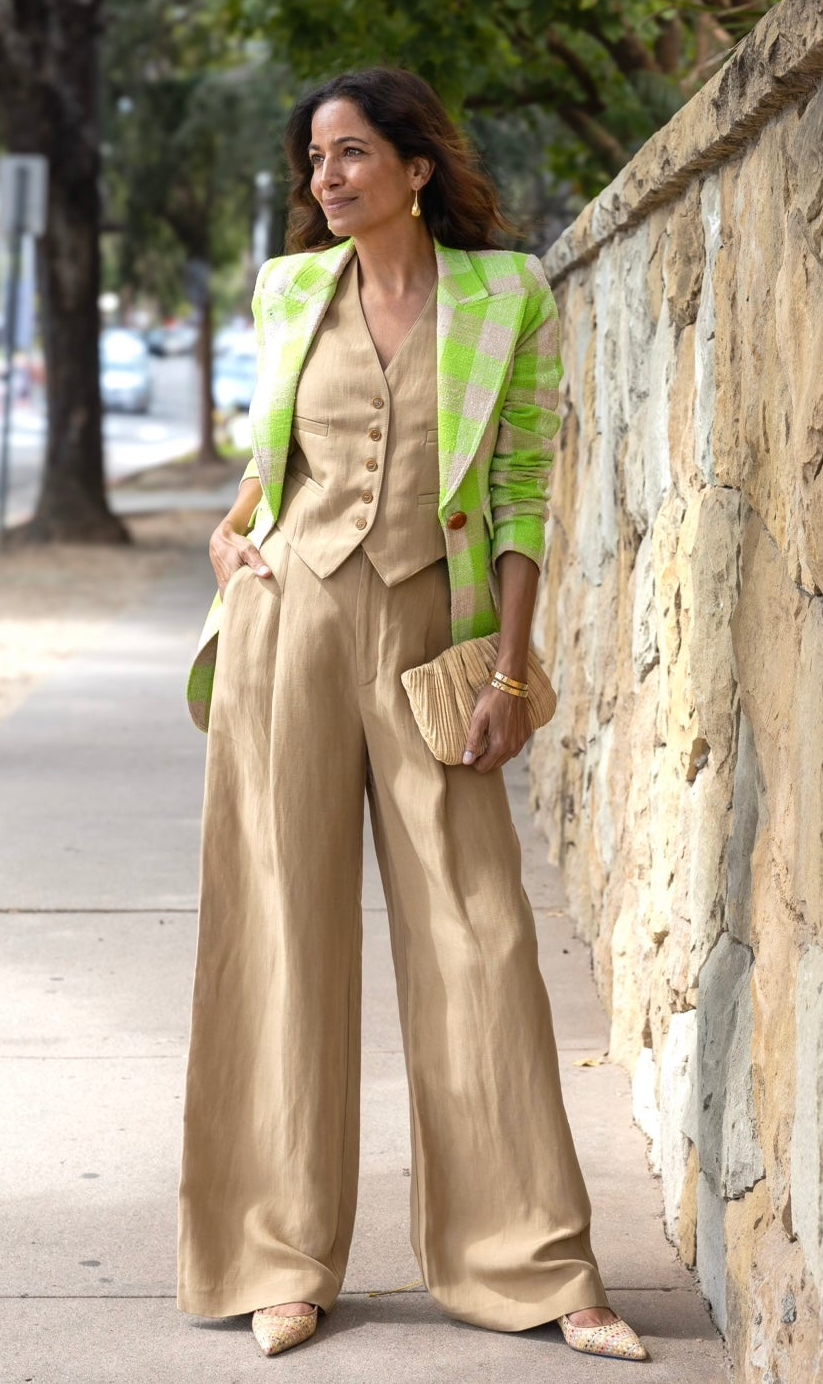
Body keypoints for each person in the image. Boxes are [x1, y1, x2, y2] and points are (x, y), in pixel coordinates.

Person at [176, 67, 649, 1364]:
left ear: (417, 165)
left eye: (349, 154)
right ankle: (278, 1258)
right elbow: (265, 463)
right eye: (313, 160)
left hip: (431, 637)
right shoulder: (288, 291)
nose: (325, 179)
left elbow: (517, 490)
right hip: (290, 633)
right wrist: (230, 547)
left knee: (479, 939)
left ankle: (540, 1265)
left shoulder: (504, 295)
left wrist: (507, 664)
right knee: (281, 940)